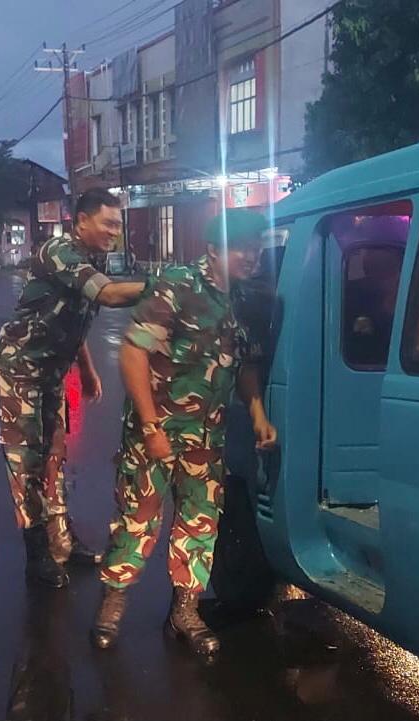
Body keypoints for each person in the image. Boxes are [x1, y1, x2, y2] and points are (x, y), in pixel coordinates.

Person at [91, 208, 278, 656]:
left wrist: (257, 414)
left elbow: (246, 365)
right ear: (213, 250)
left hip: (206, 437)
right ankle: (113, 603)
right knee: (137, 519)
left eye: (255, 248)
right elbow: (133, 353)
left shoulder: (246, 300)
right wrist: (150, 425)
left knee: (200, 522)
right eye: (240, 248)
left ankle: (185, 611)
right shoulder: (177, 285)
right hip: (155, 431)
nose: (250, 256)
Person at [0, 188, 145, 588]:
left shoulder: (92, 258)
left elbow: (77, 319)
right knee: (27, 461)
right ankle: (37, 552)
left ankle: (61, 541)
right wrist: (168, 285)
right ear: (82, 221)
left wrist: (87, 369)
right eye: (108, 223)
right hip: (19, 371)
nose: (115, 232)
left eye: (118, 225)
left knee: (54, 455)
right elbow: (107, 295)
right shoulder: (59, 252)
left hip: (51, 373)